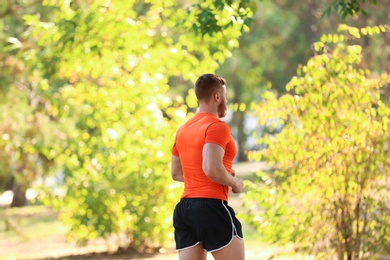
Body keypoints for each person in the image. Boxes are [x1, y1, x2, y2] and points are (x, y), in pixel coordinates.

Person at [171, 73, 245, 260]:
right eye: (225, 96)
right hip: (211, 207)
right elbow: (211, 168)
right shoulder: (217, 126)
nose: (226, 100)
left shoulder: (183, 130)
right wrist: (234, 182)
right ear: (217, 97)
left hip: (185, 210)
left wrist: (222, 174)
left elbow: (176, 173)